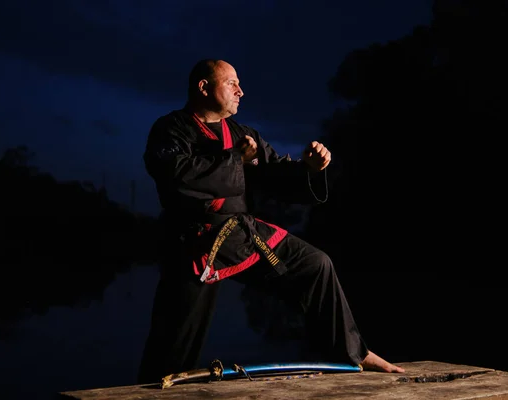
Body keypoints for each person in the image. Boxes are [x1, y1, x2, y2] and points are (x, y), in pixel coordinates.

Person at [137, 59, 405, 384]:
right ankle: (151, 388)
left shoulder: (241, 133)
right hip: (195, 244)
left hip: (243, 234)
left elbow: (276, 173)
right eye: (231, 83)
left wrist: (310, 168)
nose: (241, 91)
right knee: (174, 342)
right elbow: (177, 175)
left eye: (239, 84)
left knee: (316, 265)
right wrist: (237, 159)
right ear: (204, 88)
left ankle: (353, 353)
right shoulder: (170, 129)